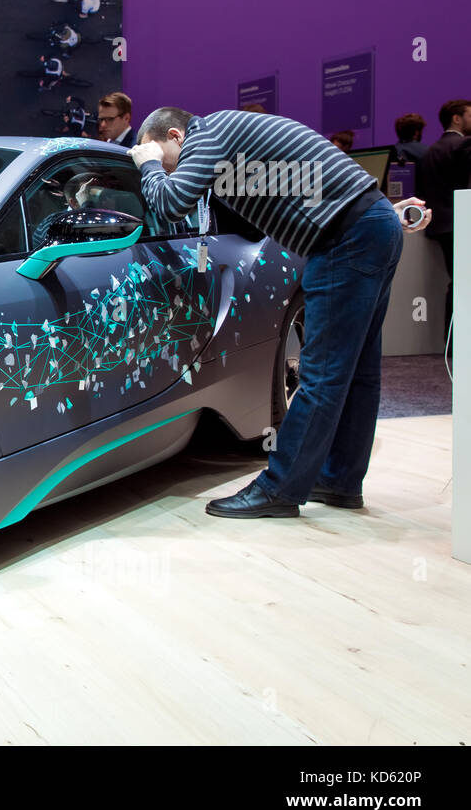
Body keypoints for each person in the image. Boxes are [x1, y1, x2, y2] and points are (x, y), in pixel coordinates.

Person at [128, 107, 432, 518]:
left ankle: (279, 489)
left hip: (346, 239)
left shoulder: (206, 135)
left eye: (168, 160)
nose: (173, 170)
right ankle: (338, 480)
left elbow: (169, 204)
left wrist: (148, 165)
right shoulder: (231, 142)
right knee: (358, 373)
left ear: (176, 135)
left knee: (322, 373)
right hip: (368, 226)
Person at [416, 99, 471, 349]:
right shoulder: (463, 146)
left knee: (458, 281)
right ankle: (459, 343)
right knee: (463, 282)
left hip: (439, 224)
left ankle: (452, 343)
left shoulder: (430, 151)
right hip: (460, 222)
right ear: (456, 118)